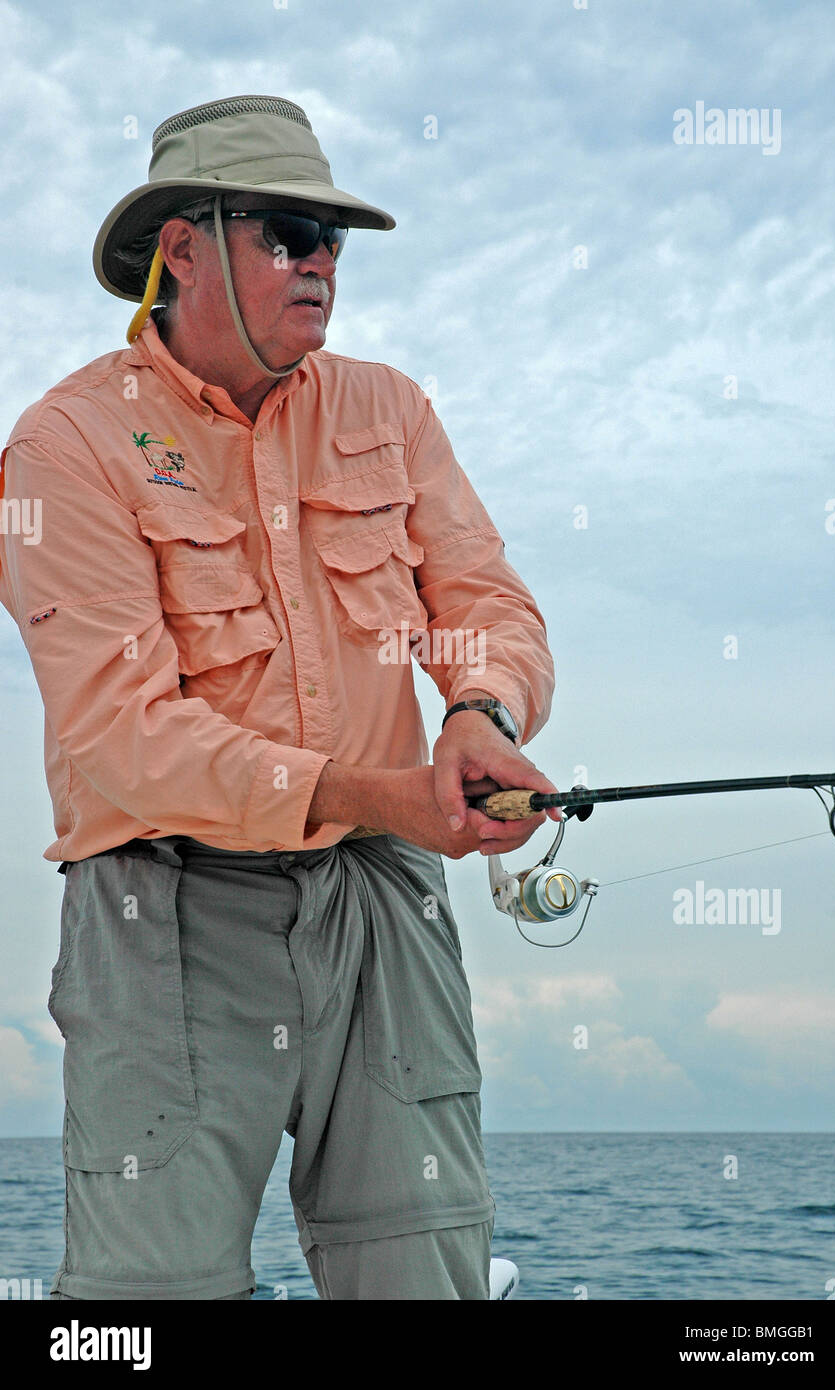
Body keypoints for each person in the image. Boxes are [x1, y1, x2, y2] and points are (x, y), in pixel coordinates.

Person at [0, 94, 560, 1301]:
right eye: (286, 231)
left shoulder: (392, 409)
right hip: (167, 913)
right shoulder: (62, 449)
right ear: (181, 249)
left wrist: (482, 714)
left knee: (427, 1278)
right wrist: (378, 791)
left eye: (332, 240)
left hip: (379, 900)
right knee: (145, 1311)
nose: (319, 263)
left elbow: (486, 605)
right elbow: (118, 735)